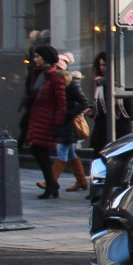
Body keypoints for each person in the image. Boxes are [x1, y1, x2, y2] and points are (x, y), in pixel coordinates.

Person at [39, 52, 90, 192]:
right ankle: (82, 181)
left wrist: (67, 115)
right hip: (61, 123)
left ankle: (50, 181)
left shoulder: (71, 83)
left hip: (68, 124)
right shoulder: (56, 82)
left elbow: (83, 102)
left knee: (62, 151)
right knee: (71, 153)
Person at [24, 45, 66, 198]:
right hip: (38, 118)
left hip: (48, 121)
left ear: (46, 58)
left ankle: (51, 184)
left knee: (38, 150)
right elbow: (34, 96)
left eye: (37, 57)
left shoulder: (56, 78)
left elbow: (61, 104)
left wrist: (58, 125)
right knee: (39, 151)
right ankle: (52, 184)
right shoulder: (39, 75)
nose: (35, 60)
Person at [90, 52, 132, 156]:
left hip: (119, 130)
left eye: (104, 65)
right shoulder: (99, 85)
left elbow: (128, 109)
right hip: (102, 133)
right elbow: (99, 111)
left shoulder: (120, 85)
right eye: (100, 65)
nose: (101, 68)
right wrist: (91, 110)